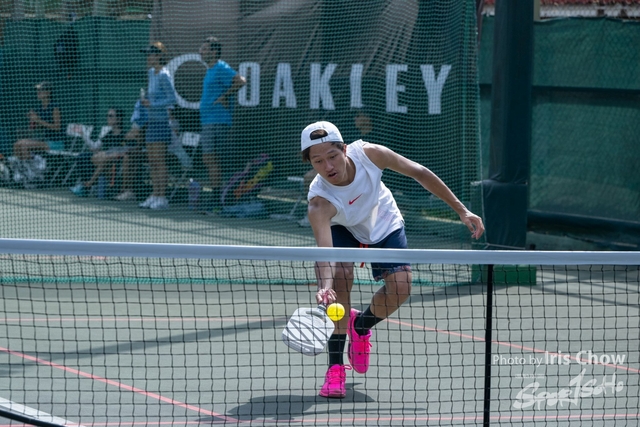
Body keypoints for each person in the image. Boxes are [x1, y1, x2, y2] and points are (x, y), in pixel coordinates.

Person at [300, 121, 485, 399]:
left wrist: (462, 210)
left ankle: (360, 325)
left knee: (400, 288)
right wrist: (325, 287)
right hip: (342, 226)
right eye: (318, 161)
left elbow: (419, 172)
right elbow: (326, 254)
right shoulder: (319, 203)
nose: (328, 166)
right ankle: (335, 368)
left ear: (345, 150)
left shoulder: (370, 154)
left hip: (381, 219)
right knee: (339, 279)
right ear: (311, 163)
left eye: (332, 156)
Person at [198, 36, 246, 209]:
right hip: (208, 121)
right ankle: (218, 196)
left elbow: (241, 81)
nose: (200, 52)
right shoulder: (210, 70)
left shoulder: (220, 67)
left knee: (212, 158)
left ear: (213, 52)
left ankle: (219, 198)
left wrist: (225, 96)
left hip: (217, 121)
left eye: (204, 49)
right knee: (210, 158)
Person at [138, 41, 176, 210]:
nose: (148, 57)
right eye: (147, 54)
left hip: (161, 123)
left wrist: (152, 104)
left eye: (151, 54)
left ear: (159, 56)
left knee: (160, 161)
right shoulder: (151, 73)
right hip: (151, 123)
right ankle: (154, 194)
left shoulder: (164, 75)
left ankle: (162, 197)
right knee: (152, 160)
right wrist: (146, 102)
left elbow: (172, 99)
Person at [70, 108, 137, 197]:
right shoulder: (108, 134)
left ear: (119, 119)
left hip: (117, 161)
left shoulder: (124, 134)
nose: (108, 118)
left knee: (103, 158)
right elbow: (94, 146)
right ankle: (87, 184)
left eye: (111, 116)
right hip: (107, 161)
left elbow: (129, 149)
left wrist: (110, 154)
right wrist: (83, 134)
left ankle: (87, 185)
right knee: (84, 156)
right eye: (107, 116)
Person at [11, 82, 64, 183]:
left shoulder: (55, 107)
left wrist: (38, 120)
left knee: (24, 145)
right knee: (17, 144)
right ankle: (22, 172)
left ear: (48, 92)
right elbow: (36, 128)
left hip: (56, 143)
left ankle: (33, 175)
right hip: (44, 141)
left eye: (41, 90)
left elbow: (57, 127)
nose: (38, 92)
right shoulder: (40, 108)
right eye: (38, 90)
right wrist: (33, 120)